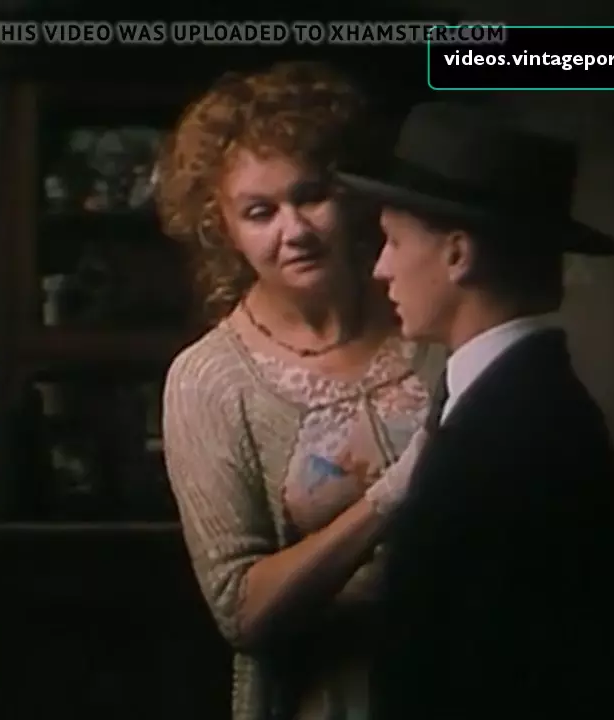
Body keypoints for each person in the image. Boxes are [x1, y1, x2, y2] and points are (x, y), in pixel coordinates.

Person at [157, 62, 443, 720]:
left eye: (311, 195)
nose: (295, 231)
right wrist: (387, 501)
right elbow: (241, 611)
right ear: (222, 227)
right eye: (260, 212)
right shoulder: (209, 378)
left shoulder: (429, 317)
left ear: (351, 193)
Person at [336, 102, 614, 720]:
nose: (380, 267)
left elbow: (506, 671)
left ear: (457, 255)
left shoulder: (528, 430)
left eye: (393, 240)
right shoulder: (496, 401)